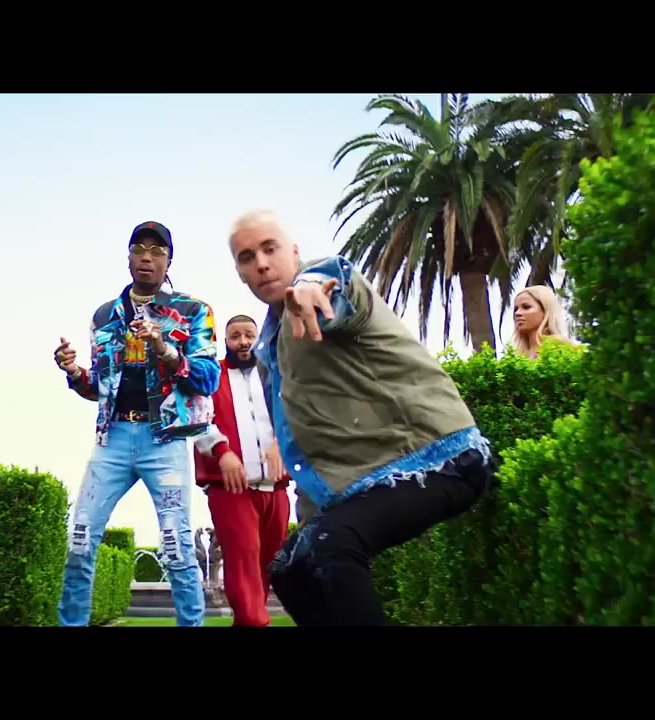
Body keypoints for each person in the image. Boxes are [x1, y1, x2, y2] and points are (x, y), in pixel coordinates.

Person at [226, 209, 497, 626]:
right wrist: (311, 521)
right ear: (241, 273)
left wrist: (311, 288)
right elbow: (306, 449)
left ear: (293, 252)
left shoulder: (325, 285)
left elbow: (337, 283)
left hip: (445, 458)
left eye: (269, 249)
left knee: (333, 544)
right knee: (291, 569)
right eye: (247, 257)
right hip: (372, 483)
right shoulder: (272, 349)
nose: (261, 263)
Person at [53, 220, 220, 627]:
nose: (147, 257)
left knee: (176, 548)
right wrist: (74, 373)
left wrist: (164, 348)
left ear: (169, 262)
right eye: (139, 249)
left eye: (157, 251)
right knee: (79, 541)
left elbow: (208, 378)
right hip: (112, 438)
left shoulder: (193, 311)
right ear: (128, 258)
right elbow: (101, 387)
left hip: (163, 439)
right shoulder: (104, 315)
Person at [193, 314, 290, 626]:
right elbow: (196, 419)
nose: (243, 342)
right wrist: (222, 451)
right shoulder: (212, 376)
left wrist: (281, 443)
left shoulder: (275, 374)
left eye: (249, 335)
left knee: (267, 566)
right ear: (225, 341)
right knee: (242, 563)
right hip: (231, 489)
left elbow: (299, 413)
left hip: (275, 487)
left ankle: (249, 620)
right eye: (235, 336)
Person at [508, 285, 572, 358]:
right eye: (516, 309)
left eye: (526, 307)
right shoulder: (517, 355)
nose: (517, 313)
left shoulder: (558, 344)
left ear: (545, 311)